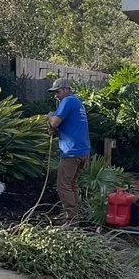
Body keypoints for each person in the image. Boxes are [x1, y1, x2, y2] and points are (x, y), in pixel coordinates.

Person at [46, 76, 91, 222]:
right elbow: (68, 125)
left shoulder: (68, 101)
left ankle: (71, 220)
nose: (56, 95)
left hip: (71, 152)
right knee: (72, 185)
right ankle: (74, 216)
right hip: (82, 151)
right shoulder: (77, 102)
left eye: (57, 92)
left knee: (63, 186)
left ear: (66, 89)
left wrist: (50, 116)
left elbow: (55, 122)